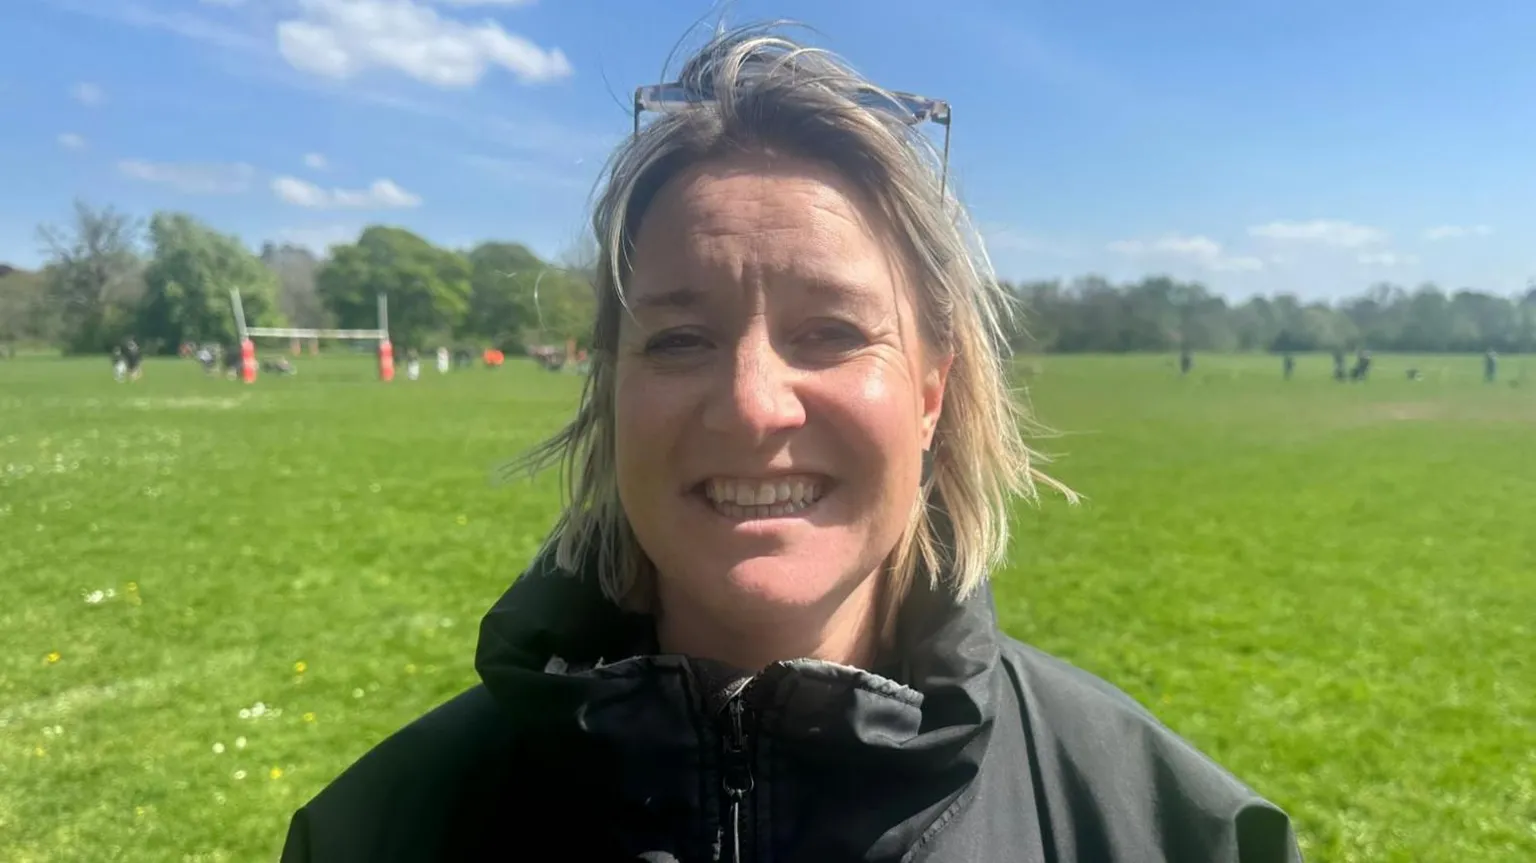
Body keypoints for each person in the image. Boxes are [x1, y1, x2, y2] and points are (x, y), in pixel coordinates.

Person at [281, 27, 1302, 863]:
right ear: (610, 385)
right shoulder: (380, 830)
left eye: (832, 332)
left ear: (934, 389)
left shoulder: (1170, 832)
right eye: (680, 337)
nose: (754, 404)